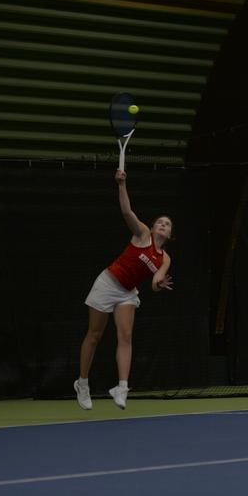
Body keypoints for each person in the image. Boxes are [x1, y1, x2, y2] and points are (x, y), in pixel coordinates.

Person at [73, 169, 173, 411]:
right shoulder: (142, 233)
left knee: (126, 336)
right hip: (108, 283)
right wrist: (121, 184)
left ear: (170, 234)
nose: (163, 224)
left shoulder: (164, 258)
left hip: (127, 292)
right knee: (94, 335)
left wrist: (158, 285)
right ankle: (82, 383)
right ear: (153, 226)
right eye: (160, 221)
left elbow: (154, 283)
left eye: (167, 224)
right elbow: (127, 211)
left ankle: (122, 387)